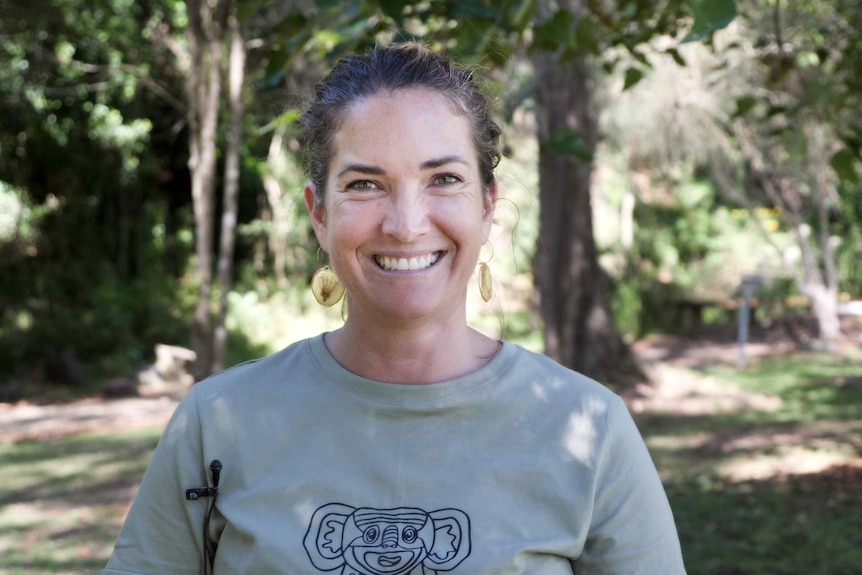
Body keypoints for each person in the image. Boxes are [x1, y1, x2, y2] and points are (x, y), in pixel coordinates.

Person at [101, 42, 686, 575]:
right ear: (318, 213)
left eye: (444, 179)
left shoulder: (591, 429)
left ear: (487, 206)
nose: (406, 225)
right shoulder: (216, 423)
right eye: (364, 185)